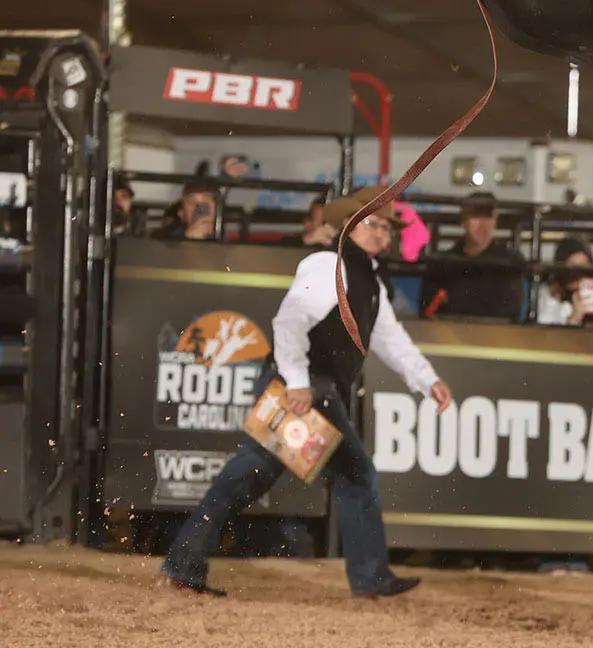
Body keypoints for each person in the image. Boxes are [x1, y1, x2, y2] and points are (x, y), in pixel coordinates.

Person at [159, 186, 451, 598]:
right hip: (301, 388)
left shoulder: (366, 277)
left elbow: (391, 339)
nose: (386, 235)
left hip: (309, 388)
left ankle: (184, 562)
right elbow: (289, 322)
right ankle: (370, 577)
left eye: (388, 228)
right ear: (352, 225)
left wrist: (427, 379)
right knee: (350, 474)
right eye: (378, 224)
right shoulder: (327, 265)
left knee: (253, 475)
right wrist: (295, 382)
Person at [421, 191, 526, 320]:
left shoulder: (509, 261)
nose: (482, 224)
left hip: (496, 335)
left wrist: (455, 301)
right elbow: (428, 310)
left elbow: (510, 311)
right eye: (476, 216)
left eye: (487, 216)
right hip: (449, 334)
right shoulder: (442, 262)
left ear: (495, 221)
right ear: (463, 221)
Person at [154, 176, 220, 242]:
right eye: (192, 202)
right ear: (181, 213)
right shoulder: (166, 241)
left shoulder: (227, 241)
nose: (200, 209)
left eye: (206, 202)